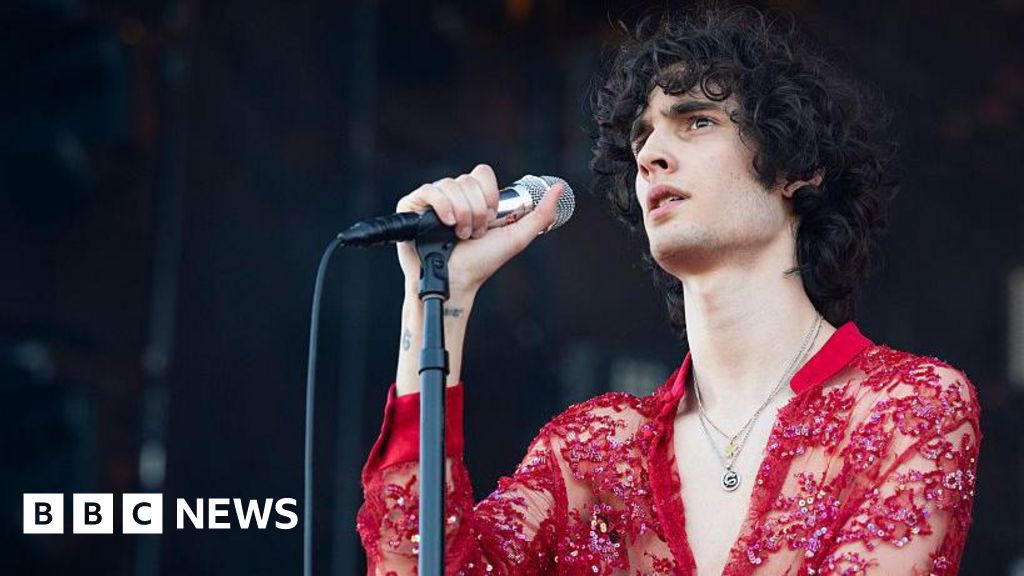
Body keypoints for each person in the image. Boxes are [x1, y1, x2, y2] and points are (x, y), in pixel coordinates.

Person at [356, 4, 981, 575]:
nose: (651, 153)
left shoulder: (908, 407)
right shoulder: (593, 453)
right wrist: (438, 300)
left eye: (696, 121)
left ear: (797, 169)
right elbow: (412, 562)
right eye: (642, 137)